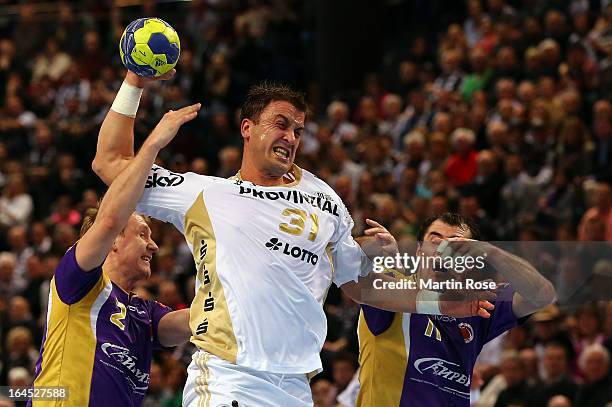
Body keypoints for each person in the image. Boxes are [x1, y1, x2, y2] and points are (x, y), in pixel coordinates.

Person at [92, 71, 496, 406]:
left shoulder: (325, 200)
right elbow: (111, 163)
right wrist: (135, 83)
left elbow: (364, 288)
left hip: (295, 387)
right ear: (247, 129)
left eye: (298, 130)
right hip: (229, 378)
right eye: (281, 124)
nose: (290, 137)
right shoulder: (205, 194)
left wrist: (440, 301)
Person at [29, 102, 201, 406]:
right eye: (143, 234)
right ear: (113, 242)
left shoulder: (143, 313)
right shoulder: (78, 280)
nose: (154, 246)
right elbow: (109, 219)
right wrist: (154, 144)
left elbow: (192, 322)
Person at [356, 212, 556, 407]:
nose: (442, 250)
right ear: (418, 251)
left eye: (456, 246)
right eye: (434, 242)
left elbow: (542, 295)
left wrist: (492, 252)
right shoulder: (394, 288)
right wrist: (377, 245)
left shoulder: (477, 303)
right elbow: (349, 257)